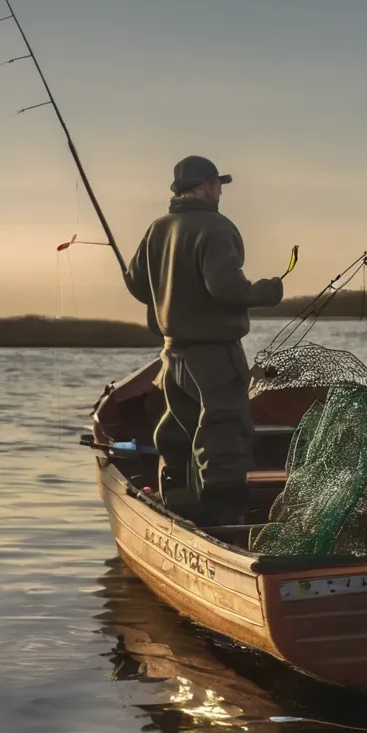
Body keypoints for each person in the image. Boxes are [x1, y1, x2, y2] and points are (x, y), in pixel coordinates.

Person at [124, 155, 284, 525]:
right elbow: (225, 287)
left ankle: (177, 505)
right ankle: (224, 523)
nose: (220, 191)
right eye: (217, 184)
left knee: (177, 431)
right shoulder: (216, 228)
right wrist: (267, 291)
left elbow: (135, 284)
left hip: (171, 356)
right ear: (203, 186)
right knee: (223, 435)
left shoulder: (156, 229)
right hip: (213, 356)